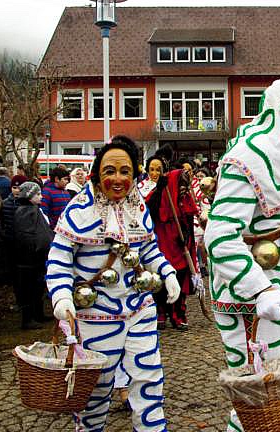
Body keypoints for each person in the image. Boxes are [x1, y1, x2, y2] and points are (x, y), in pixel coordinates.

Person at [204, 51, 280, 432]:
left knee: (277, 402)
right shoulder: (248, 157)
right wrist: (261, 289)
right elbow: (219, 236)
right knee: (256, 405)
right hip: (253, 304)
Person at [45, 135, 180, 431]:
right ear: (97, 173)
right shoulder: (78, 210)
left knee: (149, 378)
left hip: (139, 308)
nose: (118, 179)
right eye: (110, 171)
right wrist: (61, 296)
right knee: (97, 386)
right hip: (95, 314)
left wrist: (167, 272)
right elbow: (59, 258)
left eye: (124, 171)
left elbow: (148, 248)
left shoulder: (137, 206)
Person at [146, 146, 199, 331]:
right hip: (159, 241)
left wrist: (186, 237)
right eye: (152, 169)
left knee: (180, 276)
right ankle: (160, 312)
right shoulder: (146, 189)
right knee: (159, 278)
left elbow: (188, 215)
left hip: (178, 242)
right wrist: (159, 190)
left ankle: (178, 314)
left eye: (158, 169)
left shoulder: (176, 186)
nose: (155, 173)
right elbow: (149, 212)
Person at [13, 182, 54, 329]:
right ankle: (28, 318)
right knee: (28, 288)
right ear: (29, 196)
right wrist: (38, 248)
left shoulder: (34, 210)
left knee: (38, 287)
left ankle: (38, 313)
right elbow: (28, 236)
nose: (41, 196)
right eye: (37, 194)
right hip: (29, 258)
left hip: (38, 256)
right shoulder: (25, 212)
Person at [0, 174, 28, 308]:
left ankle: (27, 301)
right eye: (14, 188)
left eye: (19, 188)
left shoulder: (28, 204)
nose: (16, 190)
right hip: (11, 243)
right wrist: (5, 235)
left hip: (25, 244)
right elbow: (1, 222)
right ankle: (19, 300)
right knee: (15, 274)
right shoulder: (5, 203)